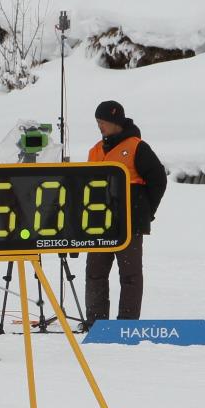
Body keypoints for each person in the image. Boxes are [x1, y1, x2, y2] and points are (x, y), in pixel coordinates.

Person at [83, 100, 167, 326]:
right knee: (95, 273)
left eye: (102, 122)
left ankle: (127, 324)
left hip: (130, 223)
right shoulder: (95, 150)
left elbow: (158, 180)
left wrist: (147, 211)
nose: (99, 126)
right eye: (97, 122)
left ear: (115, 122)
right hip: (99, 223)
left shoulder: (138, 147)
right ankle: (95, 323)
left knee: (130, 275)